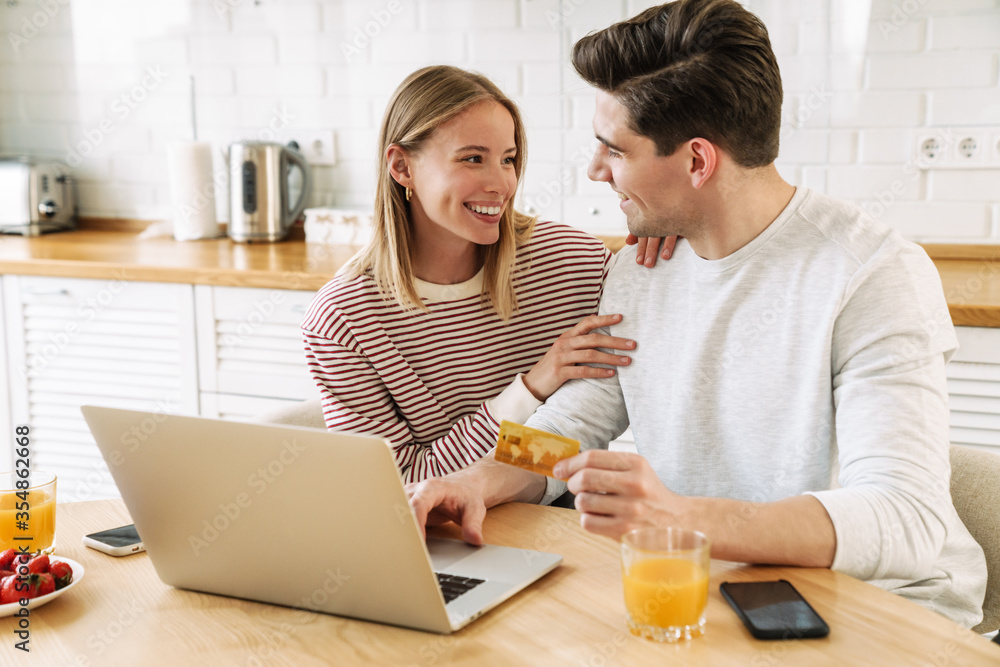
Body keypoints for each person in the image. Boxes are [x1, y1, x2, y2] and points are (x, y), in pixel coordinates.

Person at [407, 0, 988, 628]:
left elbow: (905, 519)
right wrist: (480, 480)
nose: (595, 170)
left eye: (615, 150)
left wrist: (679, 516)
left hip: (886, 611)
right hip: (717, 591)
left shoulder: (870, 274)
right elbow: (571, 426)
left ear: (696, 162)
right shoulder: (642, 269)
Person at [301, 65, 650, 483]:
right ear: (402, 167)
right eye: (472, 159)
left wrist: (669, 227)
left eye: (508, 159)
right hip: (434, 536)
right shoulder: (344, 320)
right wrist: (531, 388)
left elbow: (576, 432)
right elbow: (393, 486)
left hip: (556, 510)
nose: (501, 183)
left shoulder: (573, 263)